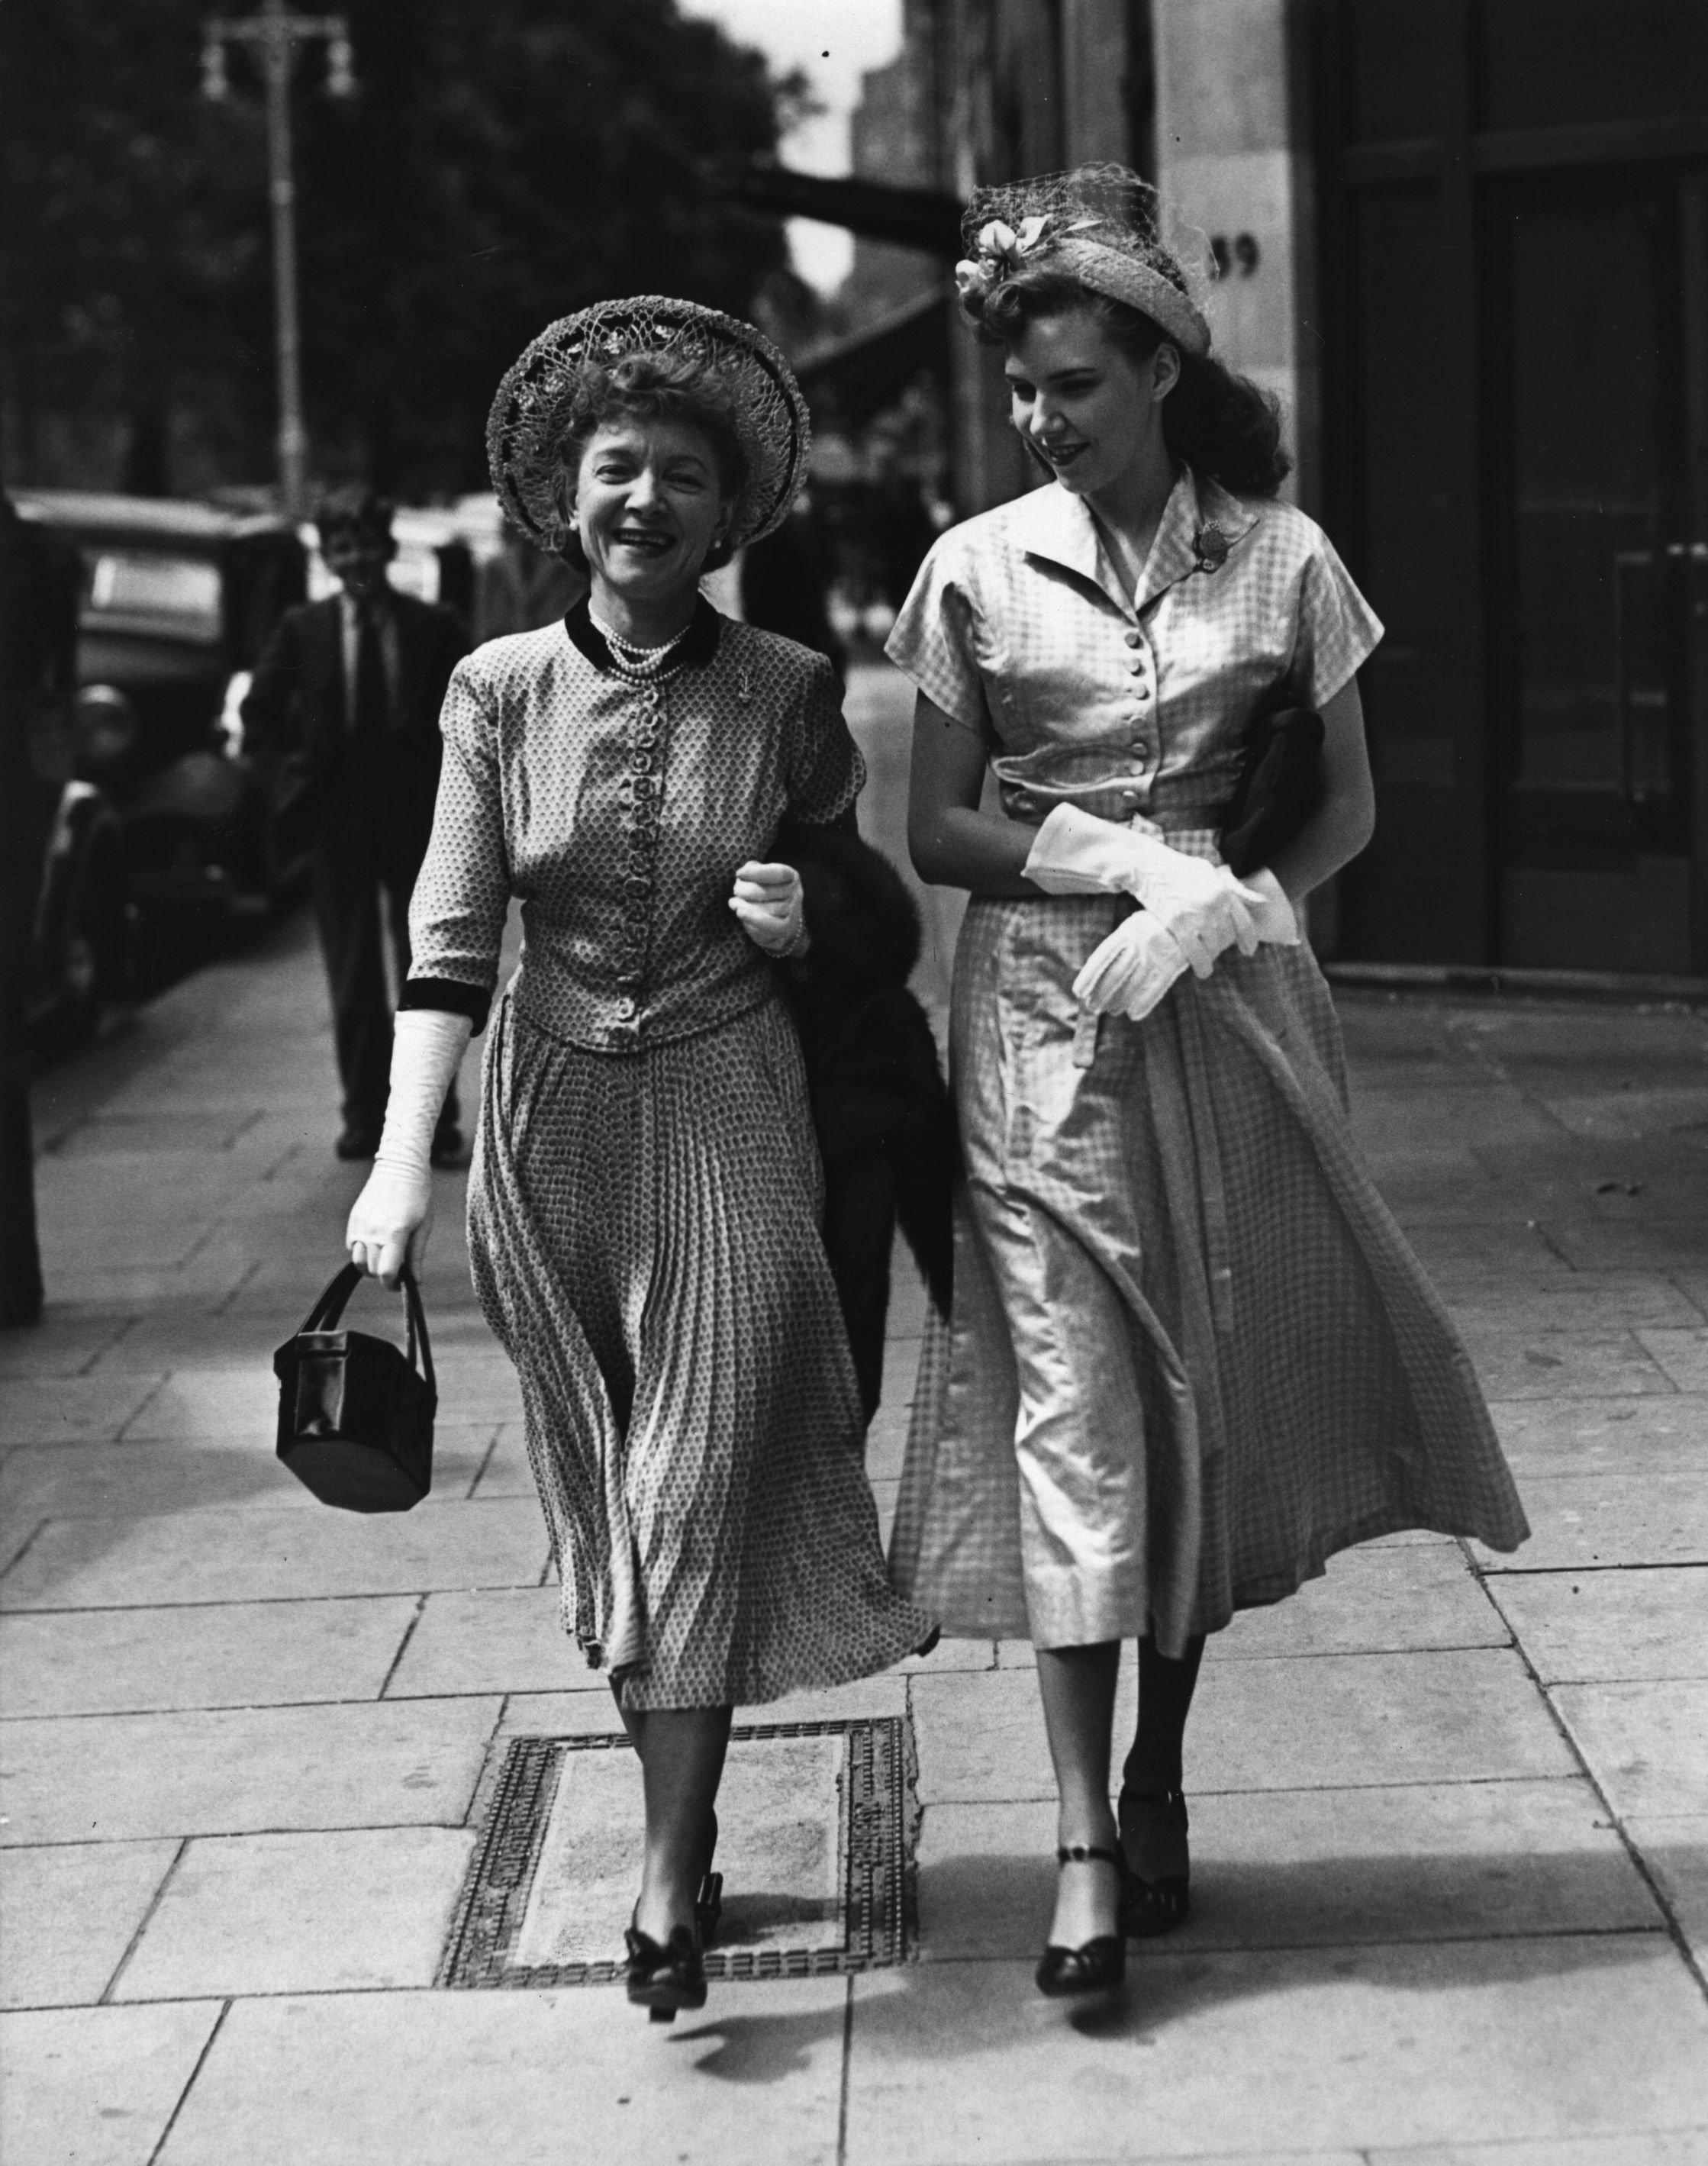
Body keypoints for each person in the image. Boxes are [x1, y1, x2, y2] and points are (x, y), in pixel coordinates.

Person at [886, 167, 1528, 1999]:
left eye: (1071, 384)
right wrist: (1118, 867)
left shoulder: (1286, 559)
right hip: (1039, 1021)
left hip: (1232, 1008)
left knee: (1200, 1404)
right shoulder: (972, 569)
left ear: (1158, 369)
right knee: (1076, 1404)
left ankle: (1156, 1765)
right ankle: (1084, 1841)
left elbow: (1344, 806)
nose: (1039, 419)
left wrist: (1230, 901)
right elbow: (937, 826)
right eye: (1019, 391)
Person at [341, 298, 935, 2019]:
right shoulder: (494, 691)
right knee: (611, 1497)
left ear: (728, 503)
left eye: (684, 473)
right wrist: (397, 1169)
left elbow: (874, 914)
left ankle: (669, 1882)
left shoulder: (793, 693)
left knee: (691, 1482)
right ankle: (692, 1818)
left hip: (732, 1111)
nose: (647, 500)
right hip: (544, 1132)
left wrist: (811, 912)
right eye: (617, 470)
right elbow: (448, 938)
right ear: (562, 494)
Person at [243, 486, 469, 1161]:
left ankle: (434, 1120)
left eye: (367, 544)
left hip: (414, 817)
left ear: (388, 549)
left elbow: (471, 714)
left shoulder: (434, 627)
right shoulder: (302, 630)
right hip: (334, 818)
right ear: (328, 556)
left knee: (423, 975)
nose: (356, 558)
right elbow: (259, 710)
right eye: (342, 548)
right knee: (352, 978)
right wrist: (282, 782)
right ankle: (364, 1116)